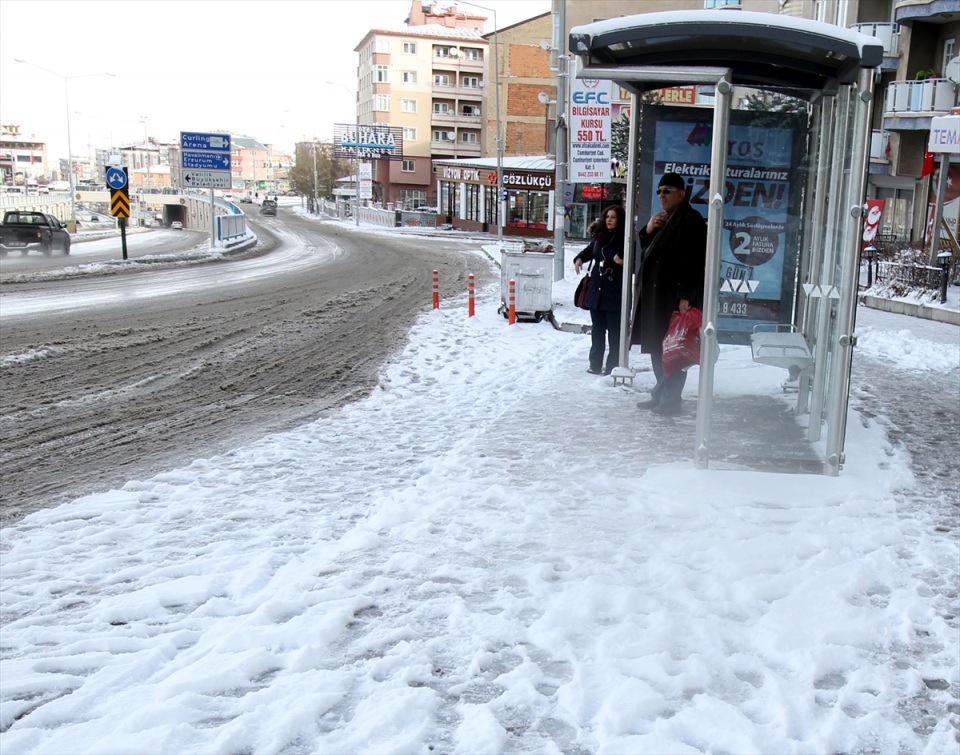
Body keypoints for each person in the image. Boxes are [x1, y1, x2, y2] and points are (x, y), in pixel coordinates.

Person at [630, 173, 707, 415]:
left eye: (667, 190)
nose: (662, 195)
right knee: (658, 347)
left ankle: (670, 399)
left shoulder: (690, 220)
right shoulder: (666, 219)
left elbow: (695, 260)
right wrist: (648, 230)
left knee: (672, 351)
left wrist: (686, 295)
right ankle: (661, 392)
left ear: (681, 194)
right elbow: (650, 252)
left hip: (672, 299)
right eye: (659, 191)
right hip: (658, 297)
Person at [573, 205, 627, 375]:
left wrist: (623, 262)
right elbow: (589, 251)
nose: (609, 220)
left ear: (620, 220)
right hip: (597, 289)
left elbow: (634, 262)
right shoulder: (600, 237)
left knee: (614, 332)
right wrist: (579, 259)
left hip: (614, 290)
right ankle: (594, 364)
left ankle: (612, 366)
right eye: (607, 217)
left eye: (614, 217)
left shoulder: (625, 239)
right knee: (597, 329)